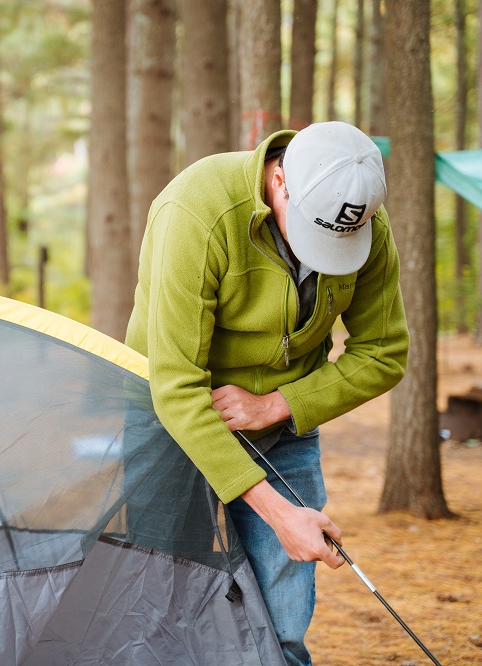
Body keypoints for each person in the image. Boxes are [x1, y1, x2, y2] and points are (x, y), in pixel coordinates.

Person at [124, 121, 409, 666]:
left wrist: (278, 406)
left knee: (278, 631)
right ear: (279, 181)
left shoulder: (361, 218)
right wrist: (280, 514)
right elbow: (176, 386)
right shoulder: (197, 211)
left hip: (284, 431)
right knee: (159, 613)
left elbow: (383, 352)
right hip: (169, 423)